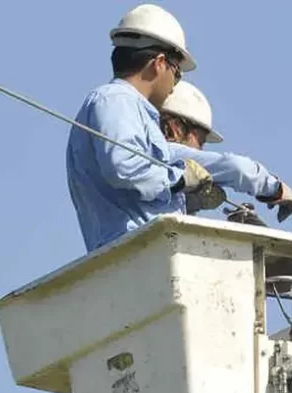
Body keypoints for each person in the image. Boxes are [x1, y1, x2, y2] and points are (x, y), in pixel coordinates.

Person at [65, 4, 224, 253]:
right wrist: (180, 179)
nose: (174, 83)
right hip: (134, 255)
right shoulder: (115, 101)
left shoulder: (123, 107)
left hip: (141, 254)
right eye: (177, 71)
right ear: (159, 63)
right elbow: (123, 168)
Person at [159, 80, 292, 225]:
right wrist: (275, 189)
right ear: (175, 127)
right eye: (201, 141)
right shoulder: (169, 154)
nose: (200, 150)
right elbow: (238, 168)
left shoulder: (147, 164)